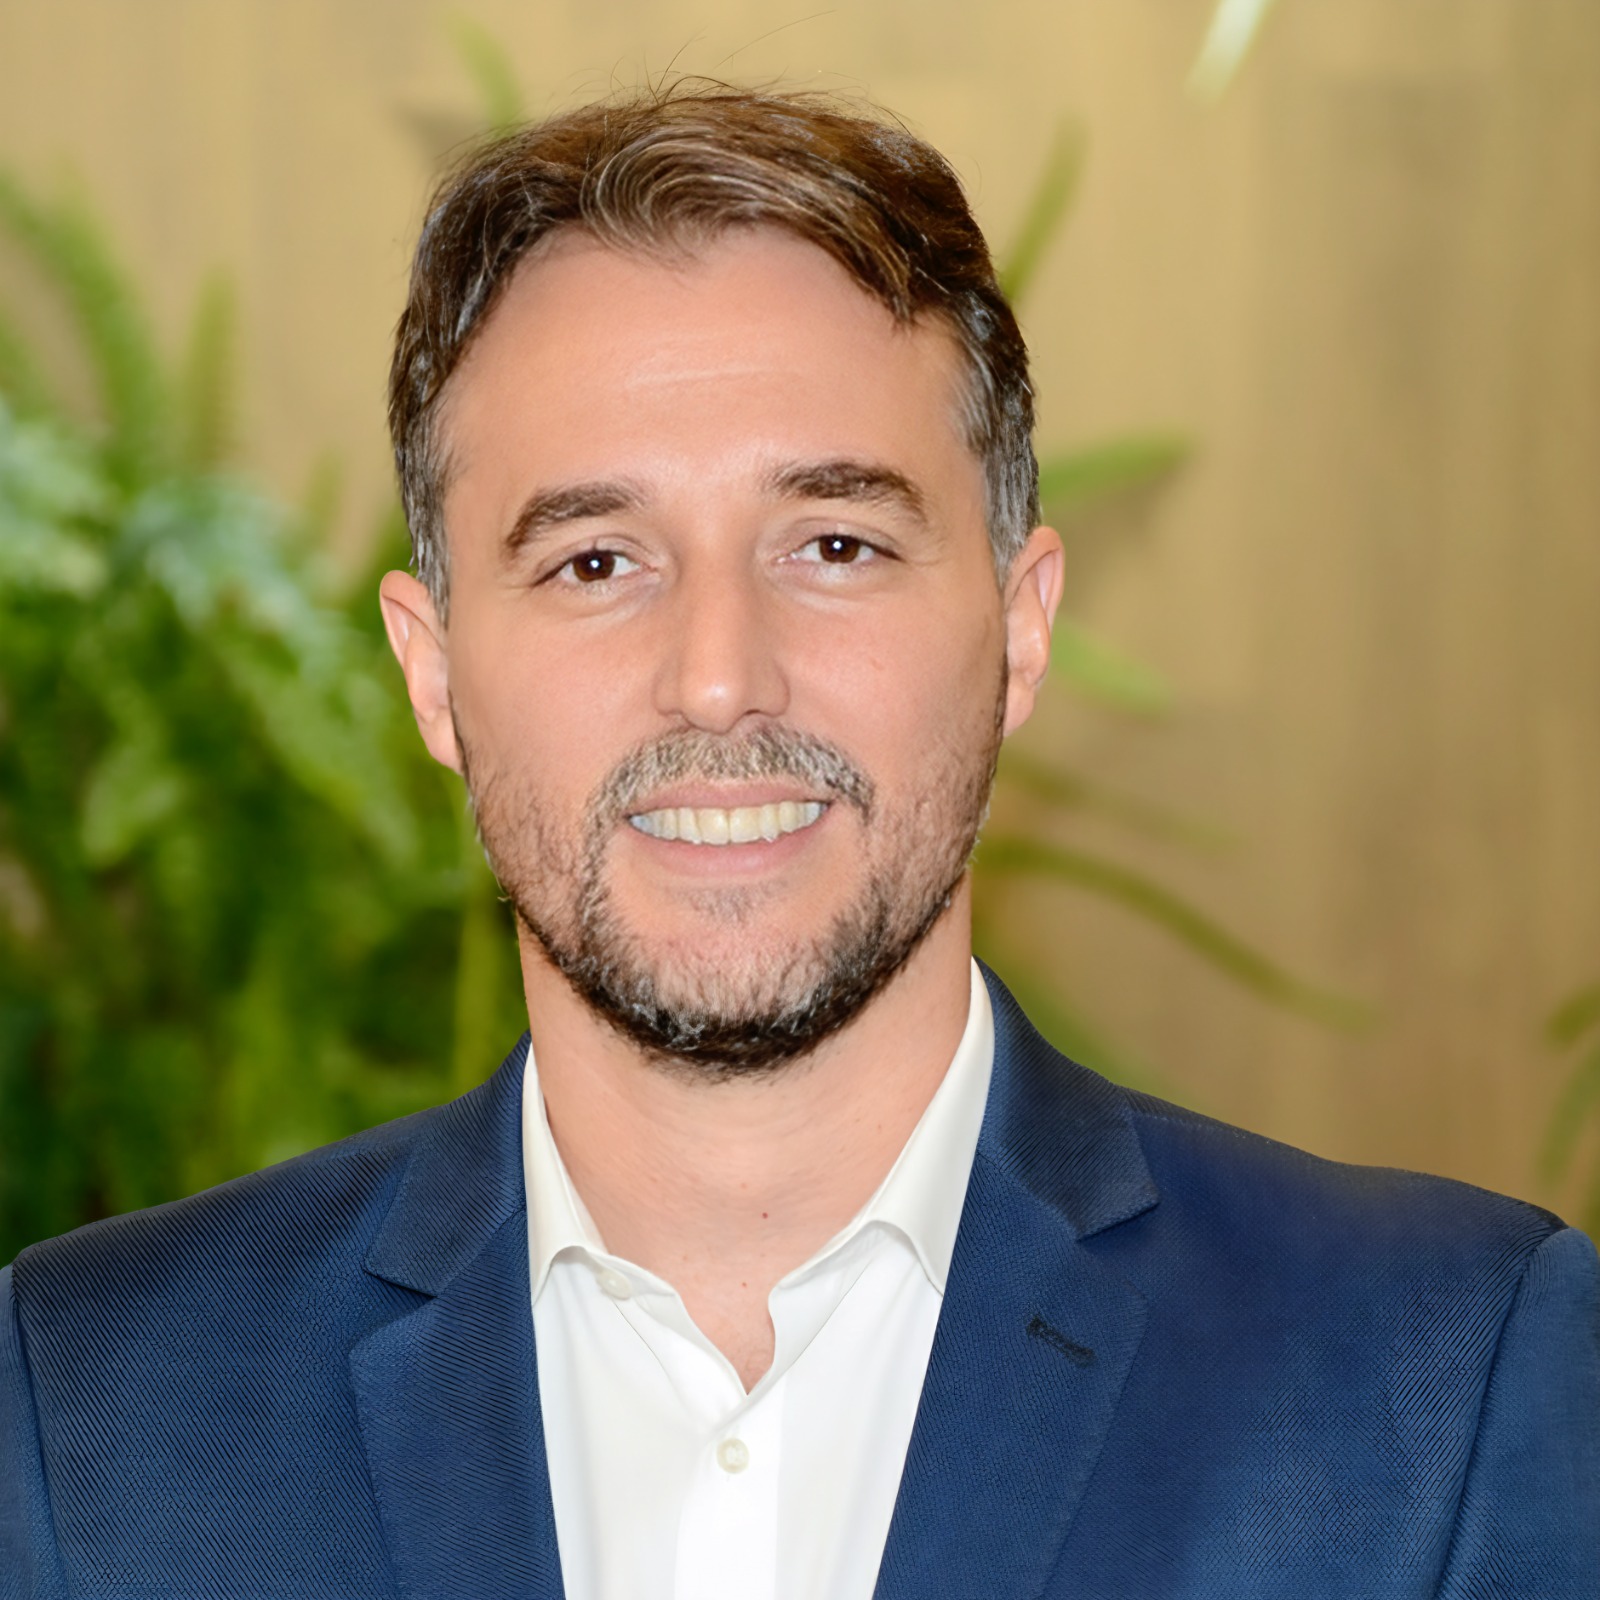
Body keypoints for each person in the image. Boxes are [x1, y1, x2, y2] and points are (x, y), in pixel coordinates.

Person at [2, 84, 1596, 1600]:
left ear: (1021, 628)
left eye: (834, 544)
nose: (718, 677)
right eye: (596, 561)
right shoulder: (85, 1409)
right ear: (431, 675)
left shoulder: (1446, 1385)